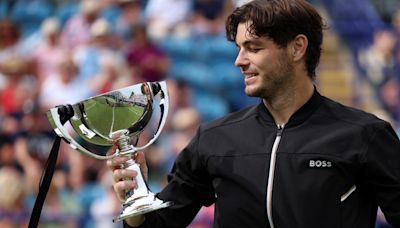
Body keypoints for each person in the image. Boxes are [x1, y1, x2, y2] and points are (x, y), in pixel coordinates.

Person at [107, 0, 400, 227]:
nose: (239, 61)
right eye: (238, 48)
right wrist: (135, 199)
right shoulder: (213, 139)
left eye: (254, 48)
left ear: (297, 48)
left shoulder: (365, 135)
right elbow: (160, 225)